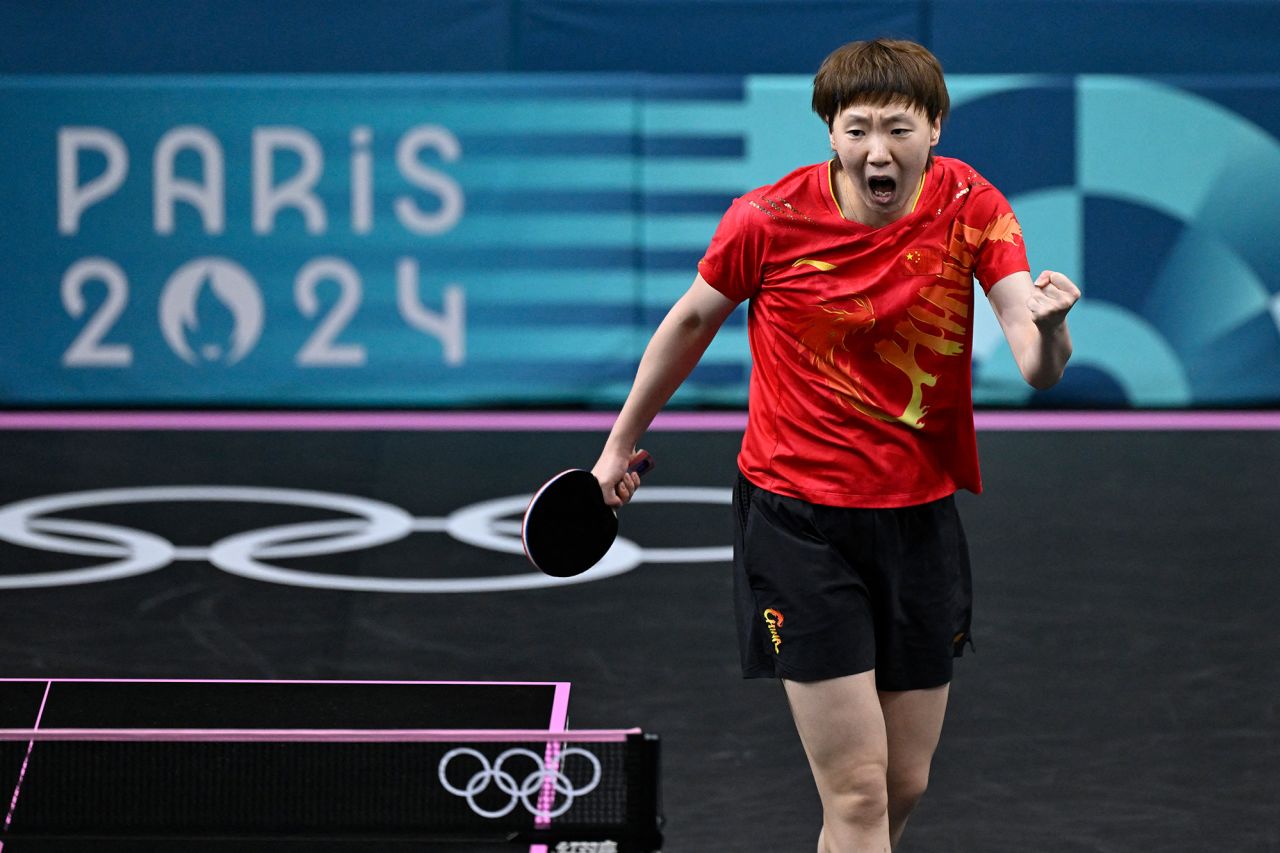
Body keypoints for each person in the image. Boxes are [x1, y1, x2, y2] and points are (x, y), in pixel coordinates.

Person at [592, 38, 1078, 852]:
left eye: (898, 128)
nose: (876, 151)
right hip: (798, 519)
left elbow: (1035, 364)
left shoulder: (973, 207)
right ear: (829, 133)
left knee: (899, 786)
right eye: (856, 130)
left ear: (935, 128)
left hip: (920, 518)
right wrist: (617, 445)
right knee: (855, 792)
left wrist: (1054, 329)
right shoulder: (769, 219)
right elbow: (688, 323)